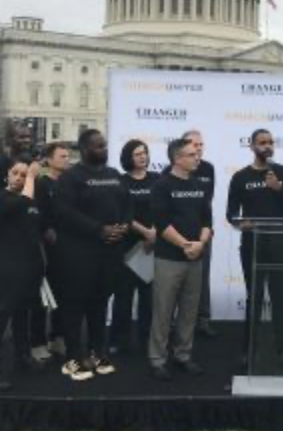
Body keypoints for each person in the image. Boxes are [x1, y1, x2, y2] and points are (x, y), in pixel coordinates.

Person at [53, 129, 130, 381]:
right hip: (77, 254)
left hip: (109, 254)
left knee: (99, 303)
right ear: (84, 149)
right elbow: (63, 213)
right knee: (74, 306)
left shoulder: (114, 175)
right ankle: (75, 356)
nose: (104, 150)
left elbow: (126, 204)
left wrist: (124, 225)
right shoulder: (70, 178)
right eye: (98, 146)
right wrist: (98, 229)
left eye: (105, 145)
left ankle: (98, 351)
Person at [226, 128, 283, 363]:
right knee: (254, 297)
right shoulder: (240, 177)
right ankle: (249, 349)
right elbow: (231, 213)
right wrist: (241, 223)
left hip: (281, 245)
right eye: (262, 142)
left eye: (270, 142)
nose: (267, 146)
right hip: (252, 244)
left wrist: (279, 189)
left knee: (281, 298)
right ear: (252, 146)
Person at [148, 137, 212, 381]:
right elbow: (162, 224)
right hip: (169, 259)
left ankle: (183, 355)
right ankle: (157, 359)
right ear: (177, 158)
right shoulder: (162, 185)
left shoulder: (199, 184)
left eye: (197, 154)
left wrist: (201, 243)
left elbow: (208, 221)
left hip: (195, 258)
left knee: (189, 310)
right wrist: (186, 245)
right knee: (163, 311)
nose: (197, 157)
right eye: (191, 154)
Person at [0, 158, 46, 390]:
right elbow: (20, 205)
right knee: (0, 316)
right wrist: (31, 177)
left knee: (23, 313)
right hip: (6, 267)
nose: (19, 177)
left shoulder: (32, 199)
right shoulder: (0, 199)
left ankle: (23, 356)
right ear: (7, 176)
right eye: (15, 173)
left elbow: (35, 225)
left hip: (30, 266)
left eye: (23, 174)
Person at [166, 130, 218, 340]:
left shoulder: (208, 169)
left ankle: (202, 320)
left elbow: (206, 200)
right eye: (193, 145)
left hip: (202, 233)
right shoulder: (169, 173)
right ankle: (172, 323)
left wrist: (202, 237)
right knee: (175, 283)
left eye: (200, 144)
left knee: (202, 279)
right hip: (176, 237)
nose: (198, 148)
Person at [110, 139, 160, 355]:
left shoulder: (158, 180)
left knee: (149, 298)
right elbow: (121, 214)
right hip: (127, 247)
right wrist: (145, 232)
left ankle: (146, 339)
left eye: (145, 153)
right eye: (138, 153)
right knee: (123, 297)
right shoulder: (120, 182)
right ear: (128, 157)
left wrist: (155, 232)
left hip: (153, 247)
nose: (143, 157)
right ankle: (118, 341)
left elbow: (164, 209)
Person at [32, 142, 71, 359]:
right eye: (62, 156)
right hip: (46, 249)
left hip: (69, 248)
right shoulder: (41, 184)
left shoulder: (70, 183)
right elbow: (38, 214)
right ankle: (37, 341)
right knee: (41, 297)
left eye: (68, 155)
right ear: (49, 159)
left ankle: (58, 337)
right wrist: (48, 231)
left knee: (63, 294)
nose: (67, 159)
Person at [0, 122, 33, 188]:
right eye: (22, 137)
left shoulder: (28, 160)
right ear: (10, 139)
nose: (27, 140)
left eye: (28, 137)